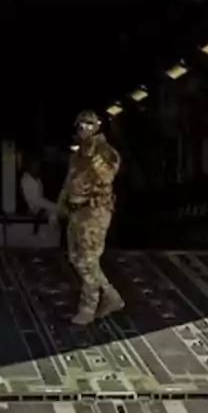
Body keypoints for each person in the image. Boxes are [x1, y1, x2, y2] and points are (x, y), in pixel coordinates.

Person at [57, 110, 125, 325]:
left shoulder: (106, 152)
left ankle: (88, 307)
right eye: (80, 125)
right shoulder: (77, 155)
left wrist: (94, 158)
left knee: (88, 260)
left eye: (89, 124)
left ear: (97, 126)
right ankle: (112, 297)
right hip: (77, 211)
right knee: (77, 258)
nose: (84, 128)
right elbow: (69, 182)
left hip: (95, 212)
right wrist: (61, 205)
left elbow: (107, 177)